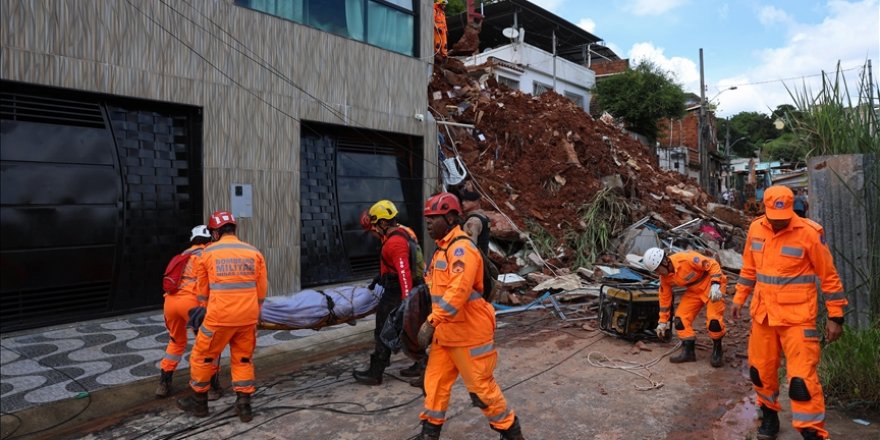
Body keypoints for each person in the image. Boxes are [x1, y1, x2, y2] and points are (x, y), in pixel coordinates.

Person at [731, 185, 846, 440]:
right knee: (760, 372)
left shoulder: (809, 233)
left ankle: (811, 431)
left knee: (801, 381)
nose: (778, 224)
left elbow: (828, 276)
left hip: (797, 318)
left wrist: (836, 316)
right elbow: (749, 268)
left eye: (783, 219)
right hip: (764, 316)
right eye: (773, 218)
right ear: (765, 209)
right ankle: (769, 415)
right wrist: (739, 298)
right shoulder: (755, 229)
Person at [415, 192, 524, 440]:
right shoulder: (440, 251)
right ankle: (429, 433)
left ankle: (511, 432)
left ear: (452, 217)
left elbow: (458, 291)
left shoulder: (462, 249)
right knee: (434, 387)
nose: (429, 223)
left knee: (481, 391)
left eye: (434, 218)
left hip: (469, 336)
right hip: (445, 335)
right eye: (427, 218)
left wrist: (431, 321)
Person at [177, 211, 268, 422]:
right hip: (247, 318)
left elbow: (202, 291)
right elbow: (261, 289)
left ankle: (199, 404)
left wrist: (203, 310)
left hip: (219, 318)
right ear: (234, 229)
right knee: (243, 358)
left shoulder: (207, 253)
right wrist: (255, 311)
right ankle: (244, 407)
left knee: (202, 357)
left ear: (215, 232)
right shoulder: (253, 252)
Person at [354, 200, 424, 385]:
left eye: (376, 225)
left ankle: (375, 373)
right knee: (411, 330)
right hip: (405, 286)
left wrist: (406, 302)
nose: (374, 230)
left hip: (397, 292)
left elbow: (404, 273)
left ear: (384, 223)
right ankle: (421, 365)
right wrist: (382, 276)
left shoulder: (395, 243)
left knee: (383, 330)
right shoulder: (403, 232)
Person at [156, 225, 223, 400]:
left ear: (192, 240)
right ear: (210, 240)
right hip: (193, 305)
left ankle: (164, 383)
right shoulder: (208, 255)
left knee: (176, 342)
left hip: (170, 303)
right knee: (208, 345)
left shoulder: (182, 256)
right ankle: (212, 386)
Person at [642, 248, 728, 367]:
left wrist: (715, 284)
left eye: (658, 269)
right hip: (694, 291)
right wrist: (662, 321)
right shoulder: (664, 277)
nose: (658, 273)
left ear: (665, 262)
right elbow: (664, 298)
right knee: (680, 319)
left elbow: (712, 264)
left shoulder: (686, 259)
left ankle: (718, 350)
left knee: (714, 321)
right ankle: (689, 352)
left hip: (712, 285)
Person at [458, 180, 491, 255]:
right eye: (463, 200)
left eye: (467, 200)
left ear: (476, 202)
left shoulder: (473, 221)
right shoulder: (484, 217)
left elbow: (469, 247)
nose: (463, 203)